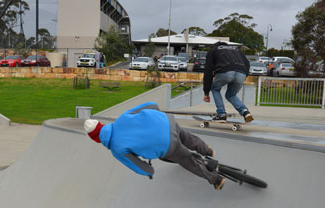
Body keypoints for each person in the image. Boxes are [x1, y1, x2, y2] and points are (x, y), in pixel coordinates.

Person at [83, 102, 225, 190]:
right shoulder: (123, 117)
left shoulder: (116, 149)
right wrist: (156, 117)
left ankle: (216, 180)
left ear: (96, 139)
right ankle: (207, 150)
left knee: (187, 160)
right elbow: (151, 105)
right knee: (186, 137)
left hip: (167, 144)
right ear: (101, 125)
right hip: (167, 122)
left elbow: (138, 166)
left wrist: (149, 171)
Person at [203, 41, 253, 122]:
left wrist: (206, 92)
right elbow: (247, 63)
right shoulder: (236, 50)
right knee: (231, 95)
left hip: (225, 71)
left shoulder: (213, 51)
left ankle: (221, 114)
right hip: (241, 73)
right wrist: (243, 78)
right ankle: (245, 111)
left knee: (215, 89)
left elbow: (208, 71)